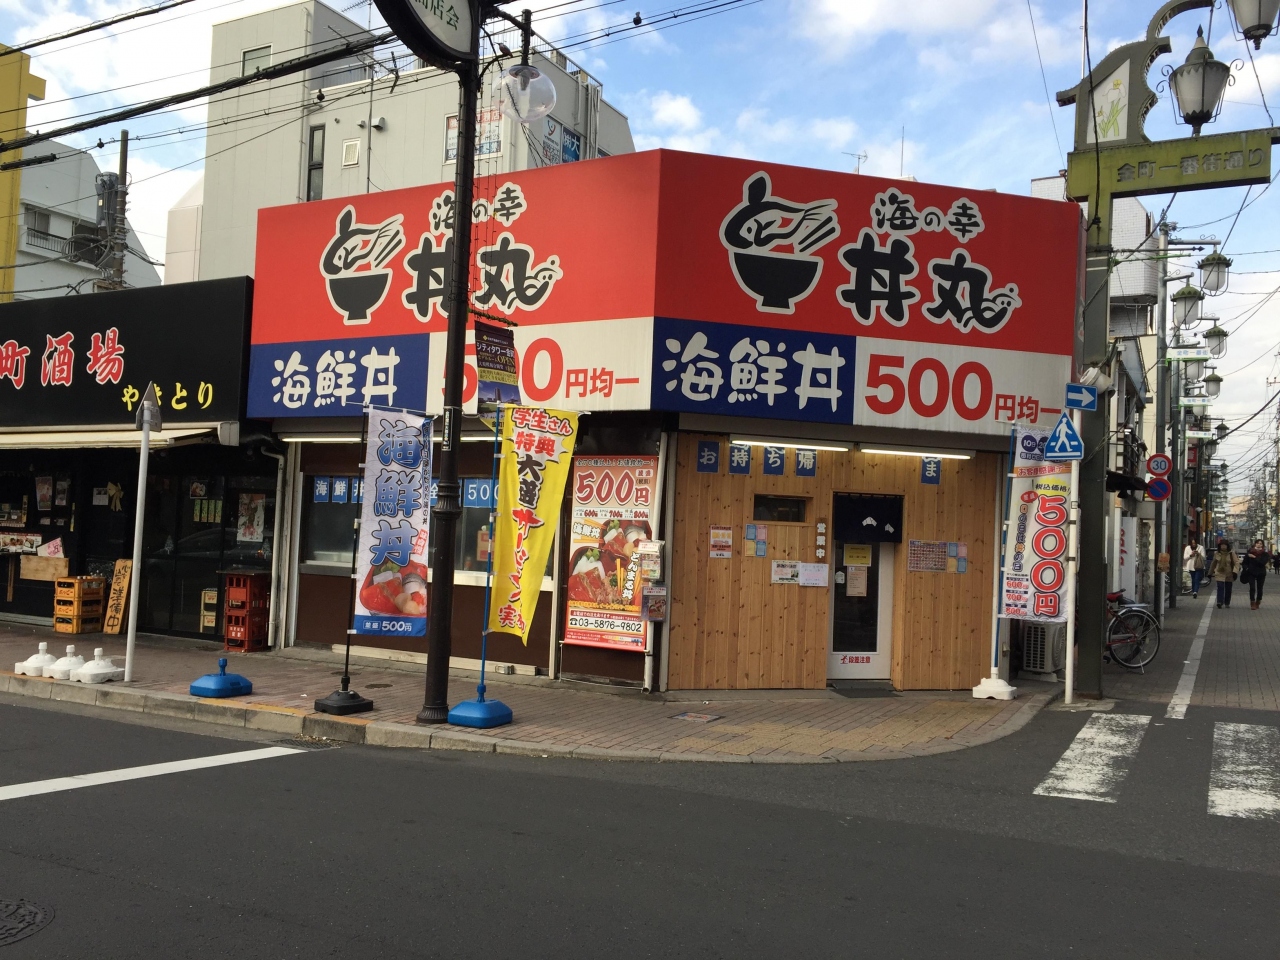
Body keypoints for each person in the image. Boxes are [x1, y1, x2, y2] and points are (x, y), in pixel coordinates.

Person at [1209, 539, 1240, 609]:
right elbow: (1213, 563)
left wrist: (1235, 572)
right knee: (1220, 587)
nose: (1223, 547)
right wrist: (1210, 573)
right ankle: (1219, 602)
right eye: (1222, 545)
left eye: (1224, 545)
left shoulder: (1231, 553)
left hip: (1229, 574)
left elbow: (1236, 563)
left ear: (1227, 546)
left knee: (1228, 589)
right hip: (1219, 573)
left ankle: (1227, 602)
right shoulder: (1217, 553)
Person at [1242, 539, 1271, 610]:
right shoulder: (1249, 552)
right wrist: (1247, 568)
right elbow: (1244, 563)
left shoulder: (1265, 554)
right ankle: (1252, 602)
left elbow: (1262, 563)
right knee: (1252, 587)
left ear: (1262, 545)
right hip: (1251, 572)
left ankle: (1258, 601)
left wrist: (1254, 557)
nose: (1259, 545)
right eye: (1257, 543)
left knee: (1259, 588)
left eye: (1260, 543)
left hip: (1261, 573)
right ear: (1255, 544)